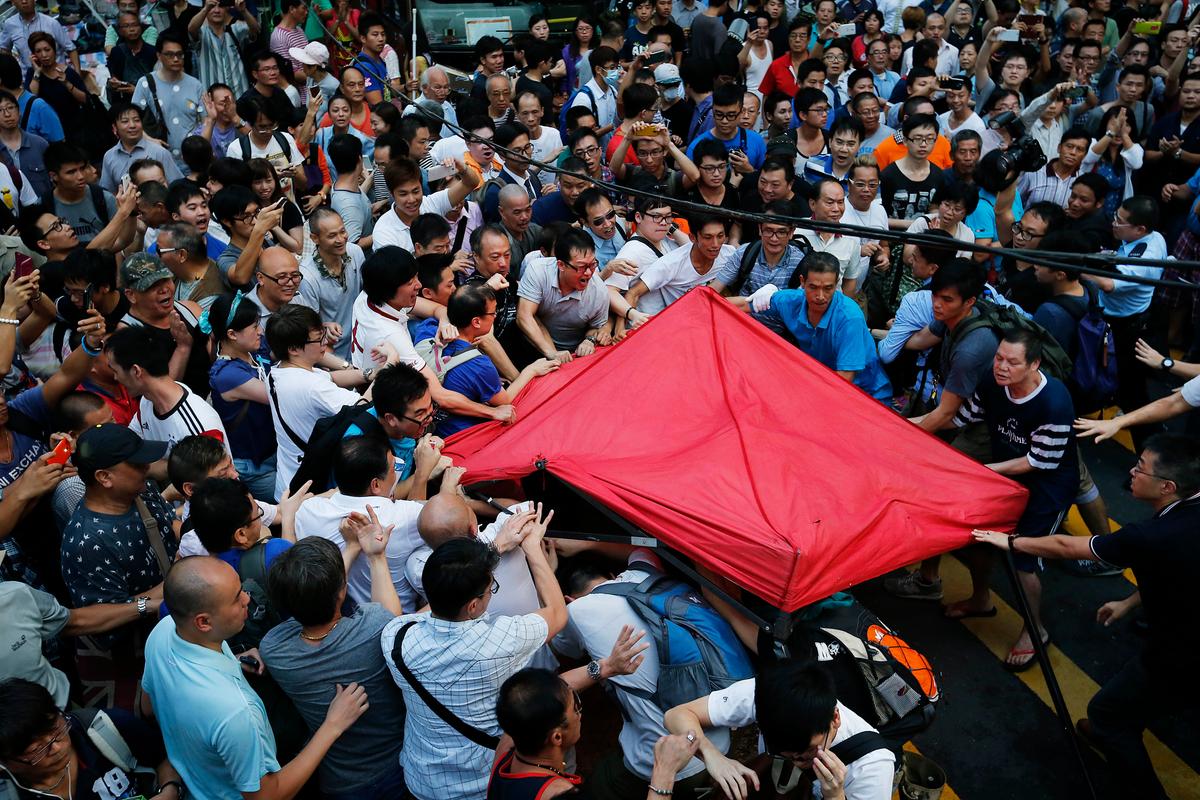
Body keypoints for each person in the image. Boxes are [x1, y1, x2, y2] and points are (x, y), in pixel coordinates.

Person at [972, 434, 1200, 800]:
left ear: (1167, 487)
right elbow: (1177, 569)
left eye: (1140, 468)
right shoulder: (1185, 519)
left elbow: (1068, 545)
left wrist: (1010, 542)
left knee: (1108, 712)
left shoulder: (1149, 535)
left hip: (1181, 653)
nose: (1132, 471)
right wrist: (1130, 602)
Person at [142, 555, 368, 800]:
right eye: (236, 597)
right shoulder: (237, 712)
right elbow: (267, 796)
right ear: (204, 621)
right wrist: (332, 726)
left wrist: (233, 664)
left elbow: (149, 706)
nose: (247, 599)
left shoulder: (162, 632)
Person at [380, 508, 566, 800]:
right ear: (473, 606)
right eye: (489, 588)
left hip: (421, 779)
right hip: (481, 785)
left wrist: (492, 551)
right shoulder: (501, 641)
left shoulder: (396, 637)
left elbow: (435, 603)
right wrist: (533, 550)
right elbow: (557, 612)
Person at [260, 528, 408, 800]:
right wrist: (376, 556)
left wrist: (350, 549)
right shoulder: (374, 629)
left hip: (338, 783)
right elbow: (391, 616)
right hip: (397, 769)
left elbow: (313, 598)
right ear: (343, 591)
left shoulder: (274, 650)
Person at [664, 659, 895, 800]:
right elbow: (676, 715)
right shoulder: (769, 695)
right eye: (784, 754)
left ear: (835, 718)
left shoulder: (872, 767)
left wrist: (835, 795)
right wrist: (712, 756)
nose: (799, 761)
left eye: (808, 752)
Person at [62, 423, 175, 708]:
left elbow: (168, 526)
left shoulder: (142, 490)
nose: (146, 467)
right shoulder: (88, 542)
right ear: (104, 477)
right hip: (136, 659)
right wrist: (156, 598)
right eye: (136, 463)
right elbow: (99, 617)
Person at [292, 435, 424, 611]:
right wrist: (424, 472)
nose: (397, 471)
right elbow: (445, 521)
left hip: (340, 617)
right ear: (375, 484)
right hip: (398, 619)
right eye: (394, 468)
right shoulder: (406, 516)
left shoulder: (308, 512)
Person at [741, 253, 893, 403]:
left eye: (828, 288)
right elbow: (744, 304)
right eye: (813, 287)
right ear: (802, 282)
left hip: (865, 396)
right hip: (820, 385)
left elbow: (846, 376)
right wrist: (716, 301)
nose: (820, 296)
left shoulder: (849, 317)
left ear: (837, 283)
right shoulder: (792, 301)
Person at [0, 678, 183, 800]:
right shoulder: (8, 793)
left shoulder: (104, 727)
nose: (57, 747)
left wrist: (169, 790)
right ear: (8, 762)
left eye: (58, 729)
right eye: (38, 750)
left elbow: (164, 757)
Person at [1080, 196, 1165, 452]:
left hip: (1127, 329)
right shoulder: (1150, 236)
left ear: (1140, 229)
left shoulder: (1144, 261)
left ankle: (1149, 452)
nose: (1114, 223)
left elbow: (1108, 284)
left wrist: (1076, 269)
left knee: (1133, 395)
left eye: (1120, 221)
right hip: (1125, 319)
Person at [107, 324, 228, 461]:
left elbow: (213, 478)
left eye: (115, 371)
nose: (115, 378)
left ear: (136, 371)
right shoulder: (147, 401)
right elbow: (131, 445)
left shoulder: (198, 427)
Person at [517, 229, 619, 362]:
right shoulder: (538, 271)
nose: (589, 273)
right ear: (561, 265)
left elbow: (596, 326)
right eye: (582, 267)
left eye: (593, 264)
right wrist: (551, 353)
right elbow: (524, 316)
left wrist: (589, 340)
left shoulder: (598, 291)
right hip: (533, 347)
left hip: (575, 357)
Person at [625, 215, 735, 315]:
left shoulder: (730, 254)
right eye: (708, 237)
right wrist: (620, 328)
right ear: (693, 238)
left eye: (720, 236)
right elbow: (633, 293)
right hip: (681, 322)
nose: (715, 244)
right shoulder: (670, 264)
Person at [130, 32, 205, 171]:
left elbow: (205, 121)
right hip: (157, 160)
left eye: (180, 54)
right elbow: (133, 120)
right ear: (159, 56)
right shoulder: (145, 83)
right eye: (170, 55)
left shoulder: (195, 85)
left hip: (191, 162)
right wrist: (150, 140)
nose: (176, 59)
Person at [298, 207, 365, 361]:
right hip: (334, 355)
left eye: (342, 231)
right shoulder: (307, 277)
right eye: (332, 236)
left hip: (362, 341)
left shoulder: (355, 253)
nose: (341, 239)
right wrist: (324, 327)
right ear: (315, 238)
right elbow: (310, 326)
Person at [187, 0, 258, 98]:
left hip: (240, 95)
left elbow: (255, 29)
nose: (216, 10)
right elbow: (191, 29)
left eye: (220, 6)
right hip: (213, 99)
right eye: (212, 7)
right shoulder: (202, 33)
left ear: (227, 9)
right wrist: (205, 8)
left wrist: (244, 11)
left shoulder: (235, 29)